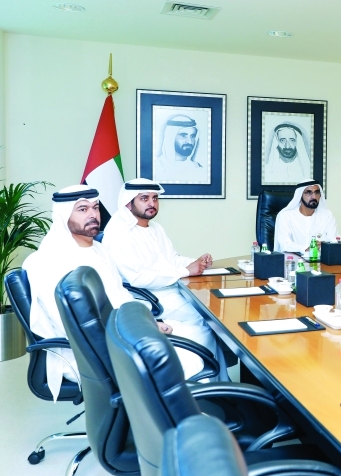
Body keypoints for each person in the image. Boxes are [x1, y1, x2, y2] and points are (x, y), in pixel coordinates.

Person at [22, 185, 203, 401]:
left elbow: (121, 296)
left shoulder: (98, 249)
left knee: (195, 334)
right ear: (63, 215)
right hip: (88, 354)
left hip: (118, 332)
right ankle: (177, 418)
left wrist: (147, 322)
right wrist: (134, 334)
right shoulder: (49, 260)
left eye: (95, 207)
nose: (92, 215)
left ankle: (205, 409)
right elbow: (71, 326)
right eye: (82, 209)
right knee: (188, 357)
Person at [102, 179, 228, 379]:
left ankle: (219, 382)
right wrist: (186, 271)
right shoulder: (119, 233)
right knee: (208, 320)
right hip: (147, 297)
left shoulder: (155, 228)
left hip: (169, 289)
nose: (151, 203)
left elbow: (172, 259)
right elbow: (137, 278)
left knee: (212, 311)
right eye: (144, 199)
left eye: (155, 198)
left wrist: (195, 263)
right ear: (128, 203)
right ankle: (205, 382)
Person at [273, 180, 338, 253]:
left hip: (321, 259)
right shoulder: (286, 216)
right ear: (300, 196)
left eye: (317, 192)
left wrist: (324, 245)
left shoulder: (327, 215)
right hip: (294, 259)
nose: (314, 197)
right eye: (309, 192)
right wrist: (307, 248)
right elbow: (285, 244)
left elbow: (334, 242)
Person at [155, 113, 207, 183]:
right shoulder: (158, 166)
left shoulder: (197, 168)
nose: (189, 141)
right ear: (171, 137)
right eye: (183, 135)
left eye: (192, 136)